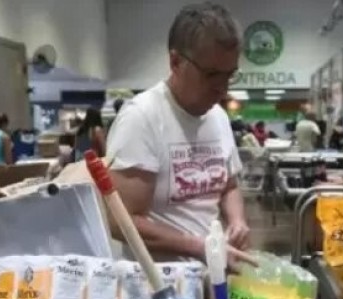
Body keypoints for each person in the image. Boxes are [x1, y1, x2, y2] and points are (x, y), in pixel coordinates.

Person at [106, 2, 251, 266]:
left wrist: (237, 221)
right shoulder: (142, 118)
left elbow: (229, 186)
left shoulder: (218, 116)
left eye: (229, 75)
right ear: (176, 62)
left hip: (210, 274)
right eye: (211, 75)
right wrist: (197, 247)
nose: (222, 88)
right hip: (158, 282)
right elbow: (121, 221)